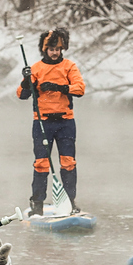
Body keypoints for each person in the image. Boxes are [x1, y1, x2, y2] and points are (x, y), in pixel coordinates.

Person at [17, 27, 86, 214]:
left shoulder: (69, 66)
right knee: (41, 163)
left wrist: (59, 87)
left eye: (58, 49)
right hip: (42, 123)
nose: (55, 52)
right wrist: (25, 80)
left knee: (68, 163)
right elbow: (22, 95)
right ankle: (37, 205)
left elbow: (79, 89)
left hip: (65, 123)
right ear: (44, 49)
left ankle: (70, 202)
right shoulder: (36, 69)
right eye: (51, 49)